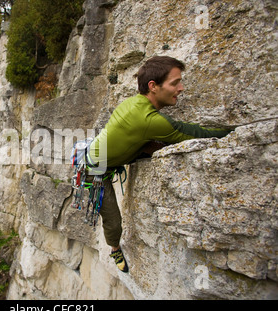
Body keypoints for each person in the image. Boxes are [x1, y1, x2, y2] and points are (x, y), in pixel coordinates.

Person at [87, 56, 232, 273]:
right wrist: (232, 132)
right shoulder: (149, 120)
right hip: (94, 170)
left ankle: (143, 147)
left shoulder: (133, 102)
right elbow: (192, 133)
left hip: (105, 153)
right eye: (175, 83)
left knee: (151, 145)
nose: (181, 88)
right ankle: (115, 248)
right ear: (153, 87)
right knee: (113, 220)